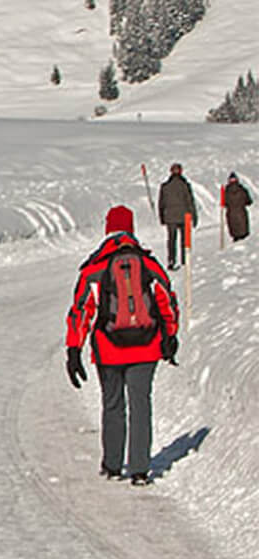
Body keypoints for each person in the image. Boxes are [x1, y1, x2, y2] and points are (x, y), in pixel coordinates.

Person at [65, 205, 180, 485]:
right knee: (141, 405)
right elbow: (167, 300)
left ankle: (113, 465)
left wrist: (74, 349)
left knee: (112, 404)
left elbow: (82, 310)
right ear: (131, 229)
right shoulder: (147, 263)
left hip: (109, 349)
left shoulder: (96, 267)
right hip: (147, 346)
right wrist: (170, 335)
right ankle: (140, 469)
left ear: (108, 229)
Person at [156, 162, 198, 270]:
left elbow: (161, 203)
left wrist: (162, 217)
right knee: (184, 239)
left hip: (170, 217)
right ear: (181, 171)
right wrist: (194, 216)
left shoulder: (165, 186)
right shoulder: (185, 185)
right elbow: (190, 201)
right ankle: (185, 260)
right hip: (184, 216)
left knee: (171, 240)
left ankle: (171, 260)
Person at [221, 172, 250, 243]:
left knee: (234, 226)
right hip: (241, 212)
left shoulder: (226, 191)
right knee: (242, 226)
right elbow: (248, 201)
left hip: (231, 214)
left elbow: (224, 203)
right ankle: (243, 237)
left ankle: (236, 237)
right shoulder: (242, 189)